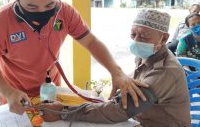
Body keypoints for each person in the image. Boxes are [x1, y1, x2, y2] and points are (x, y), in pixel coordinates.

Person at [0, 0, 147, 114]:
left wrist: (117, 72)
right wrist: (9, 92)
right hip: (15, 96)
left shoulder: (65, 12)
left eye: (50, 4)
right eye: (32, 7)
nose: (43, 12)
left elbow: (90, 41)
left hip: (51, 91)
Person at [40, 9, 191, 127]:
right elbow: (124, 91)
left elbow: (121, 110)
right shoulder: (146, 56)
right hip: (141, 120)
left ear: (163, 38)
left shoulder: (165, 71)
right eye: (133, 34)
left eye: (144, 36)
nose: (136, 40)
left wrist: (63, 112)